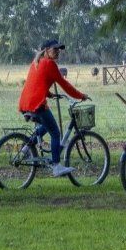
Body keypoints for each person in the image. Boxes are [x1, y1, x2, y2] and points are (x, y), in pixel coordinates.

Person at [18, 39, 89, 177]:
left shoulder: (35, 63)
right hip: (37, 104)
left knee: (45, 126)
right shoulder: (50, 64)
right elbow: (65, 84)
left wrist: (49, 94)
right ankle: (56, 166)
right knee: (55, 133)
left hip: (25, 103)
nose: (58, 52)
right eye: (55, 49)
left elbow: (36, 83)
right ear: (46, 51)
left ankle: (26, 148)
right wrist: (81, 96)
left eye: (59, 50)